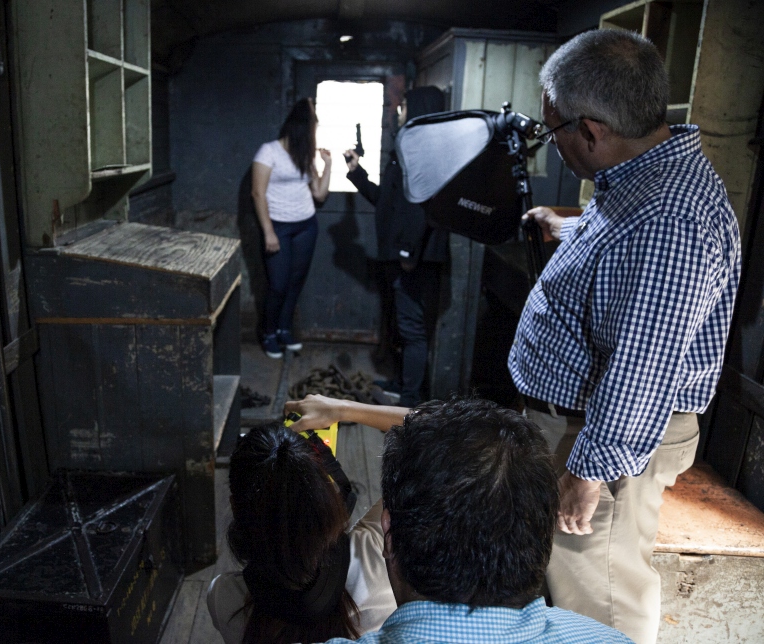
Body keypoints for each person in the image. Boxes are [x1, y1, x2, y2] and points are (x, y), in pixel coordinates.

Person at [509, 29, 741, 644]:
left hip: (602, 436)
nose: (552, 144)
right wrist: (572, 229)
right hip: (584, 425)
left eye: (553, 131)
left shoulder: (670, 218)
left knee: (600, 599)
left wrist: (591, 473)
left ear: (591, 131)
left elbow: (644, 362)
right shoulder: (643, 180)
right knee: (568, 586)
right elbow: (629, 265)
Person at [284, 394, 633, 644]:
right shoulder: (608, 638)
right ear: (542, 534)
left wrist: (345, 409)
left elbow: (440, 440)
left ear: (387, 533)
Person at [206, 422, 396, 643]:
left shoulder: (223, 598)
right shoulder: (378, 547)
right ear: (325, 493)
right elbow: (440, 435)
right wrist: (344, 409)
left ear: (235, 506)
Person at [345, 86, 449, 406]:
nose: (399, 111)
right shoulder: (410, 146)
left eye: (403, 105)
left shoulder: (427, 151)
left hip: (413, 256)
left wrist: (407, 250)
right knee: (404, 326)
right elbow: (387, 203)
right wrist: (357, 173)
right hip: (403, 254)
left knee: (413, 329)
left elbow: (425, 205)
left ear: (417, 108)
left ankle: (409, 399)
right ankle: (403, 383)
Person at [252, 98, 332, 358]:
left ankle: (284, 329)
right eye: (313, 129)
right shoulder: (269, 152)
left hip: (306, 225)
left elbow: (319, 194)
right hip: (279, 227)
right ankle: (269, 332)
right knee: (278, 284)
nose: (314, 135)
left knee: (296, 281)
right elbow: (257, 193)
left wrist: (328, 164)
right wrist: (268, 231)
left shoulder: (304, 155)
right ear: (301, 128)